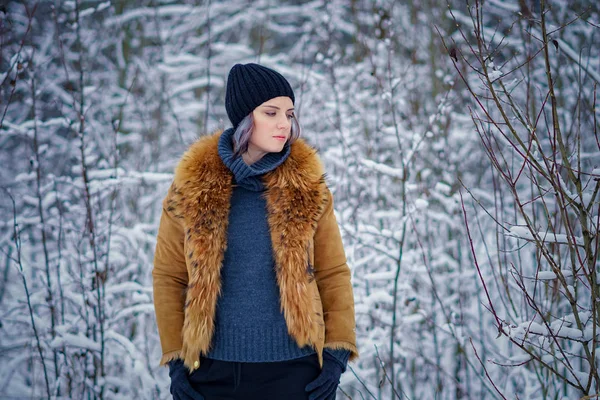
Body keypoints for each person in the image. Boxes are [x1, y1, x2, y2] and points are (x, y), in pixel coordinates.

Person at [152, 63, 358, 400]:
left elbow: (333, 272)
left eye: (289, 114)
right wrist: (176, 360)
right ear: (246, 118)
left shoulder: (307, 187)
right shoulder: (192, 188)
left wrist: (335, 354)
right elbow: (169, 276)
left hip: (297, 373)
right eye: (271, 112)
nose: (284, 124)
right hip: (210, 373)